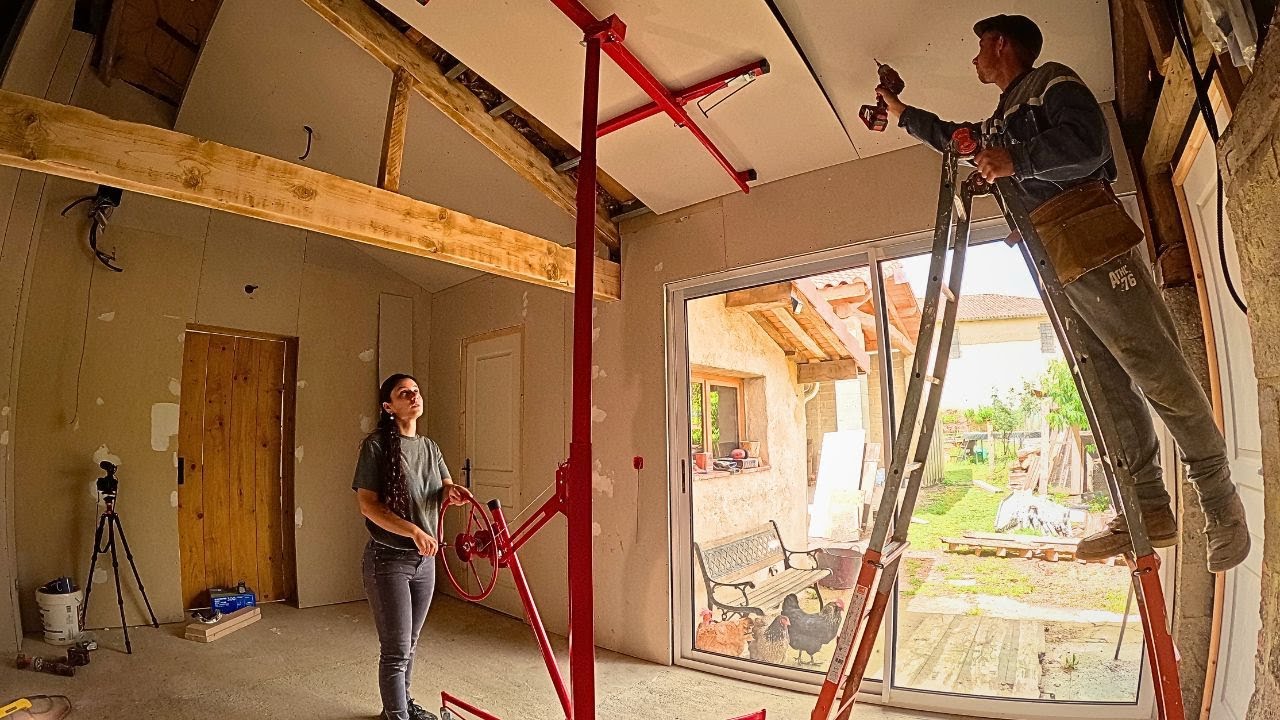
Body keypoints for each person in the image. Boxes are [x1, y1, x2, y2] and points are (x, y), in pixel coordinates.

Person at [875, 14, 1250, 572]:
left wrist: (1017, 162)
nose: (973, 58)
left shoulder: (1052, 81)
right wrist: (902, 113)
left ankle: (1222, 507)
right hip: (1058, 259)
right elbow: (960, 140)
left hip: (1091, 239)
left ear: (1001, 43)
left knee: (1158, 370)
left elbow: (1088, 142)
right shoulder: (1004, 118)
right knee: (1105, 384)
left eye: (980, 47)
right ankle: (1147, 507)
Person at [354, 373, 470, 720]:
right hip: (388, 559)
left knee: (410, 644)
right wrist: (413, 531)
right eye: (404, 393)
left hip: (425, 562)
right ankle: (396, 715)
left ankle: (400, 705)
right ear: (389, 407)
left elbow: (443, 485)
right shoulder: (375, 446)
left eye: (416, 390)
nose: (414, 395)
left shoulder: (430, 447)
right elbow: (368, 505)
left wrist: (452, 492)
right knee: (395, 649)